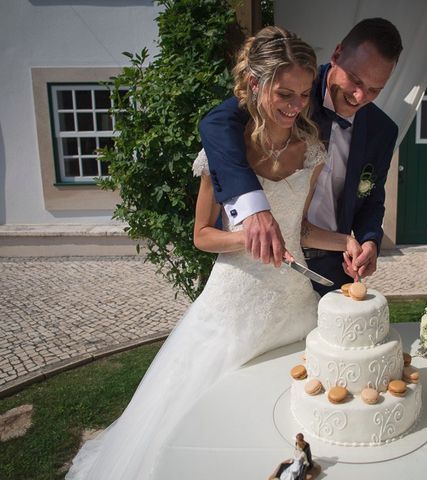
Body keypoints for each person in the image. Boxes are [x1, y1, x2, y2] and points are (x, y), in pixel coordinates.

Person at [66, 26, 358, 480]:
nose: (296, 105)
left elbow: (299, 228)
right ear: (256, 83)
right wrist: (249, 239)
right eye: (285, 92)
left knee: (285, 416)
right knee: (210, 426)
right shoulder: (224, 148)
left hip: (296, 307)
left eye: (303, 94)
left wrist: (349, 241)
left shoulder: (311, 148)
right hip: (233, 308)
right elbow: (202, 235)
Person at [199, 18, 403, 295]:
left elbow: (372, 198)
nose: (359, 95)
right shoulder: (292, 89)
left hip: (333, 265)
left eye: (374, 89)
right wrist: (253, 208)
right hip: (257, 270)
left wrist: (369, 242)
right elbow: (217, 123)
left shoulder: (383, 130)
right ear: (337, 54)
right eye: (355, 80)